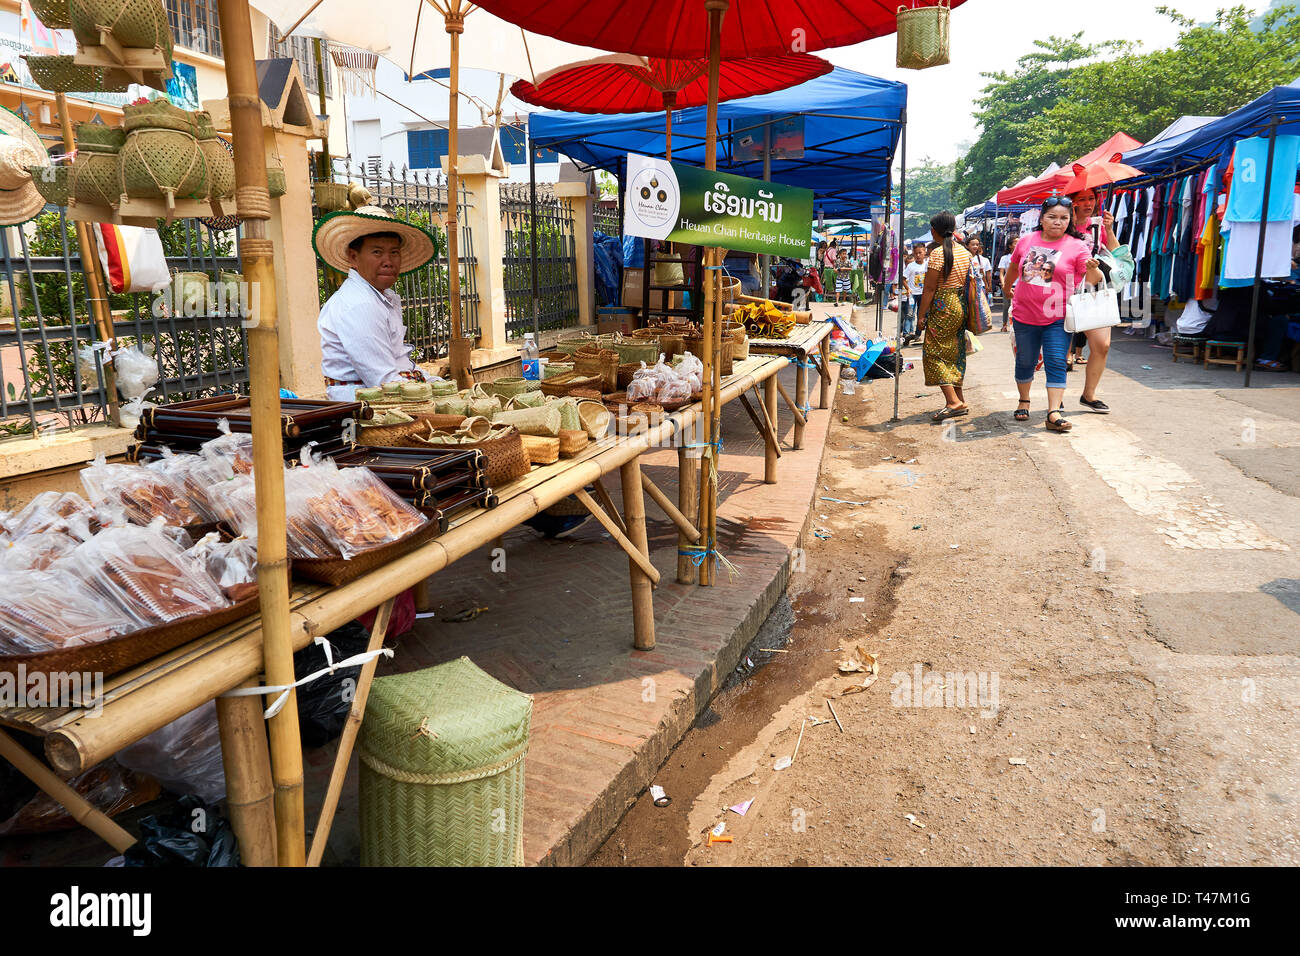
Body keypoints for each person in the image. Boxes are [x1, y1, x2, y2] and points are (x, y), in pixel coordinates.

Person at [314, 205, 437, 401]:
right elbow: (385, 382)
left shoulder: (380, 298)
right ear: (354, 257)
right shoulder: (359, 305)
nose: (388, 261)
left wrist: (436, 383)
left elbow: (399, 364)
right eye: (377, 252)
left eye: (394, 252)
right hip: (369, 409)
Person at [1004, 196, 1104, 432]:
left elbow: (1093, 281)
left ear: (1069, 221)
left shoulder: (1077, 245)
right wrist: (1008, 288)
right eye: (1052, 217)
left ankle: (1053, 412)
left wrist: (1094, 270)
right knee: (1025, 360)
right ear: (1042, 218)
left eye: (1063, 218)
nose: (1058, 222)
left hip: (1057, 316)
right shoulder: (1027, 241)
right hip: (1024, 314)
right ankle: (1024, 400)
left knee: (1057, 361)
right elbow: (1013, 267)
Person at [915, 211, 974, 422]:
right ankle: (960, 399)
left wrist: (920, 316)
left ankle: (953, 402)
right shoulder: (964, 253)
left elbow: (929, 289)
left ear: (934, 230)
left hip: (942, 305)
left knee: (933, 353)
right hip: (960, 305)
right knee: (954, 353)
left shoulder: (938, 255)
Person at [1068, 188, 1121, 411]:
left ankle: (1089, 395)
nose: (1088, 203)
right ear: (1072, 202)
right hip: (1066, 289)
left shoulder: (1098, 224)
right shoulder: (1062, 223)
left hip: (1094, 288)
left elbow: (1117, 254)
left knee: (1102, 345)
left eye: (1091, 198)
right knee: (1060, 348)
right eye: (1082, 199)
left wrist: (1109, 230)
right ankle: (1056, 397)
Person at [899, 241, 927, 343]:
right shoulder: (911, 266)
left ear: (924, 253)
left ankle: (917, 334)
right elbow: (902, 278)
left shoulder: (927, 265)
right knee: (909, 314)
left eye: (920, 253)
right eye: (916, 253)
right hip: (912, 295)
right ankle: (906, 334)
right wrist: (908, 288)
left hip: (923, 294)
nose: (918, 255)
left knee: (921, 315)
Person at [997, 243, 1012, 331]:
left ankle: (1015, 325)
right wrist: (1003, 284)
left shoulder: (1023, 256)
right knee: (1006, 305)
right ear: (1010, 245)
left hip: (1019, 285)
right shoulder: (1005, 258)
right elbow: (1002, 273)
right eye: (1015, 242)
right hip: (1008, 284)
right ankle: (1004, 325)